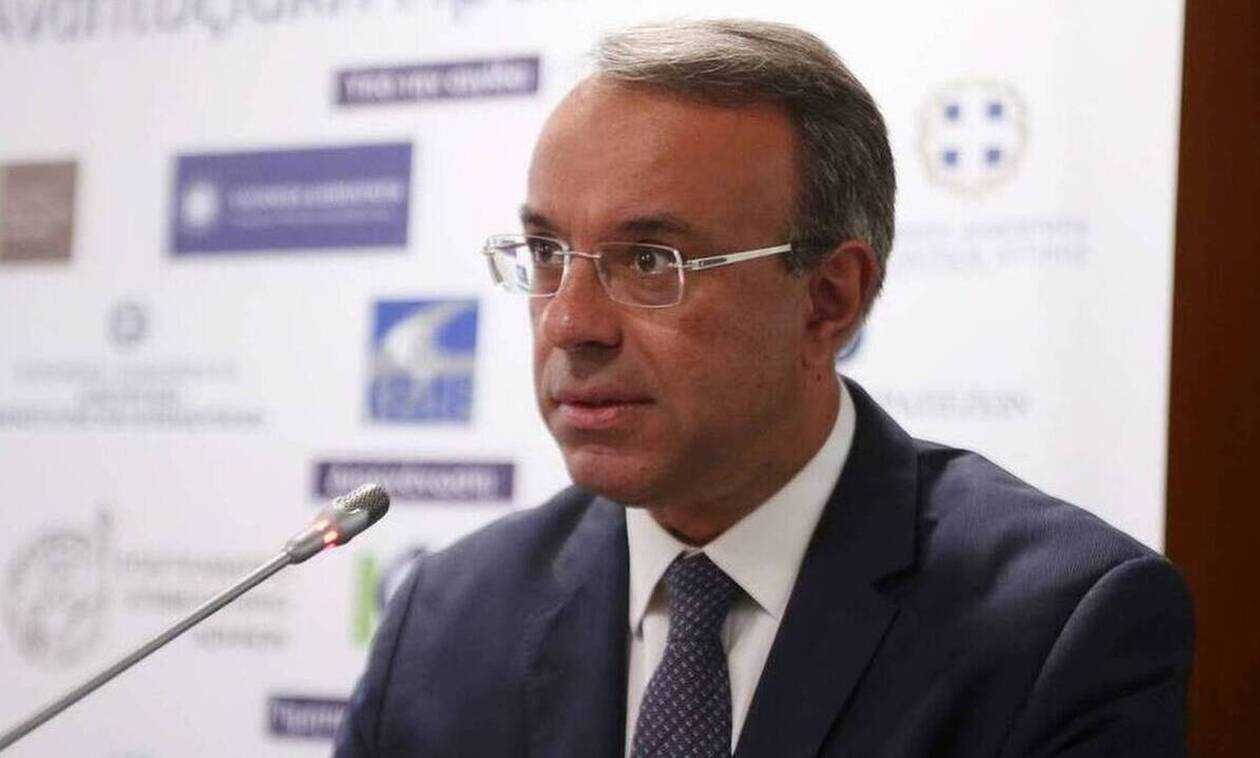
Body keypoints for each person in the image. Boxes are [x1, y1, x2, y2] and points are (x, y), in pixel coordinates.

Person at [334, 19, 1193, 758]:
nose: (569, 323)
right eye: (547, 254)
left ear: (829, 299)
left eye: (650, 261)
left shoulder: (1059, 627)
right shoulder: (444, 624)